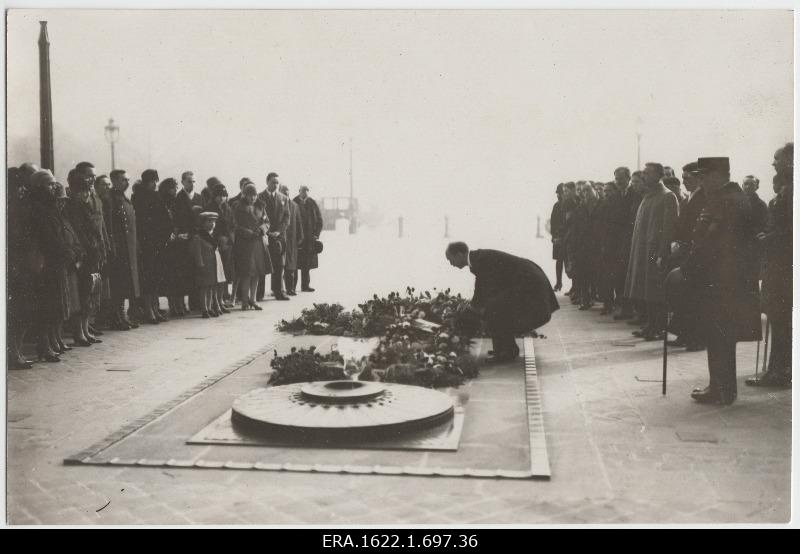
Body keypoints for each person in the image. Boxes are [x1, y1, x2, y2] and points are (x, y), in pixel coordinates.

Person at [668, 157, 761, 405]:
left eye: (705, 176)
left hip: (722, 283)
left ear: (719, 176)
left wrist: (684, 270)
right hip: (724, 281)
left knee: (719, 335)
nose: (701, 181)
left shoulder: (727, 202)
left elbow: (710, 244)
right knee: (720, 335)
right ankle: (721, 388)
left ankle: (721, 390)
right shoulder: (730, 199)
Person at [445, 242, 559, 362]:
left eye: (450, 259)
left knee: (494, 310)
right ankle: (505, 349)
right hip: (527, 282)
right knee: (495, 308)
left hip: (531, 286)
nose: (451, 264)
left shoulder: (480, 260)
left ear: (458, 255)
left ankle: (506, 352)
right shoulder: (478, 259)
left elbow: (486, 289)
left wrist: (473, 308)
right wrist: (474, 306)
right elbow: (482, 288)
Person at [747, 144, 793, 387]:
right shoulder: (785, 190)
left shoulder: (791, 191)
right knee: (779, 320)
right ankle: (778, 369)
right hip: (780, 265)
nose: (773, 163)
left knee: (781, 320)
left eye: (777, 159)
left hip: (785, 268)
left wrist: (768, 238)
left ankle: (780, 372)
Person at [623, 163, 678, 340]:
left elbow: (669, 228)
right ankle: (650, 325)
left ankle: (658, 327)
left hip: (655, 252)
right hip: (642, 251)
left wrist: (662, 253)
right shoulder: (647, 196)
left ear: (658, 175)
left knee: (655, 290)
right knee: (645, 289)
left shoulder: (667, 196)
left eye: (648, 173)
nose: (644, 176)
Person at [666, 162, 707, 351]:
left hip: (695, 254)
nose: (684, 183)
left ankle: (697, 338)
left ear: (699, 178)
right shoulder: (689, 198)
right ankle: (685, 334)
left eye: (687, 178)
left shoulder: (703, 198)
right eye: (682, 179)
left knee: (695, 298)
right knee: (684, 296)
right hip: (683, 252)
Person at [6, 166, 41, 369]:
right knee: (20, 311)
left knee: (23, 311)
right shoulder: (15, 207)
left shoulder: (22, 205)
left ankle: (16, 351)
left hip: (24, 262)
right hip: (18, 264)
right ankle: (14, 353)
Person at [133, 169, 173, 324]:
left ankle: (155, 308)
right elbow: (142, 222)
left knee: (156, 277)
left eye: (156, 181)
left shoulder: (157, 196)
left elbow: (164, 216)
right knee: (148, 278)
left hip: (159, 242)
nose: (155, 184)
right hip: (148, 243)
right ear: (145, 181)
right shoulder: (139, 197)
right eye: (152, 181)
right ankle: (149, 310)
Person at [107, 169, 140, 330]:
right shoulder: (110, 199)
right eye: (123, 180)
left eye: (127, 180)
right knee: (118, 285)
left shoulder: (125, 199)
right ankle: (117, 317)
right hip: (118, 248)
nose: (126, 183)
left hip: (129, 248)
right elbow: (110, 226)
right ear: (114, 180)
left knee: (126, 284)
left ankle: (122, 317)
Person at [233, 183, 272, 310]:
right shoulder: (238, 207)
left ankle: (253, 299)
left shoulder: (261, 206)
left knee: (257, 273)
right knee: (246, 273)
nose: (253, 198)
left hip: (258, 243)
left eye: (255, 195)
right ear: (245, 195)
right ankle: (245, 300)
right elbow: (234, 224)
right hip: (245, 244)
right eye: (250, 195)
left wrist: (262, 229)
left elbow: (267, 222)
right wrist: (246, 232)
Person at [259, 172, 291, 301]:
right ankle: (259, 293)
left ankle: (278, 291)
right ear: (267, 182)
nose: (276, 185)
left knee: (279, 265)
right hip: (265, 236)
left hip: (279, 237)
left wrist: (279, 231)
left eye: (277, 182)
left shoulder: (283, 198)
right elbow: (259, 216)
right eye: (273, 182)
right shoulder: (260, 197)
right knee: (263, 264)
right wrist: (266, 231)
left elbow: (287, 217)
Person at [189, 212, 225, 318]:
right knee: (204, 288)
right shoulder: (198, 237)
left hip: (212, 266)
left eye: (214, 221)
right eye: (209, 221)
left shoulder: (211, 236)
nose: (212, 224)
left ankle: (209, 307)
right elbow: (197, 253)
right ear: (202, 223)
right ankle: (204, 309)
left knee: (211, 288)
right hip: (204, 266)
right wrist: (200, 264)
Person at [206, 183, 235, 308]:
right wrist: (218, 239)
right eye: (219, 196)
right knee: (216, 273)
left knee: (225, 272)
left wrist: (229, 238)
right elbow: (207, 227)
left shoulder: (228, 208)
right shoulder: (209, 207)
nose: (221, 198)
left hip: (227, 244)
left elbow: (233, 224)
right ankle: (215, 300)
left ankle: (222, 297)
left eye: (224, 196)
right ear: (214, 196)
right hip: (215, 244)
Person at [294, 185, 323, 292]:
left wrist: (316, 234)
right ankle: (292, 287)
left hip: (310, 238)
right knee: (295, 263)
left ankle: (305, 286)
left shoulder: (312, 202)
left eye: (307, 191)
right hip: (298, 238)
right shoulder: (294, 201)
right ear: (299, 191)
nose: (305, 193)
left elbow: (320, 220)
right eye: (303, 191)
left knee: (307, 263)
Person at [280, 184, 304, 296]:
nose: (286, 195)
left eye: (287, 193)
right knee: (279, 265)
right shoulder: (278, 204)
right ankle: (279, 289)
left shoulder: (295, 205)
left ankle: (291, 288)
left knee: (291, 265)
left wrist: (301, 236)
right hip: (280, 238)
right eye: (284, 193)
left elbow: (299, 222)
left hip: (292, 239)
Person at [549, 184, 567, 292]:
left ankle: (573, 287)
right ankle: (558, 282)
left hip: (567, 237)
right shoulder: (556, 205)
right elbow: (552, 222)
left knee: (569, 262)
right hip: (558, 238)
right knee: (559, 261)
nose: (558, 195)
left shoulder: (569, 205)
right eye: (558, 193)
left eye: (560, 193)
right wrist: (554, 236)